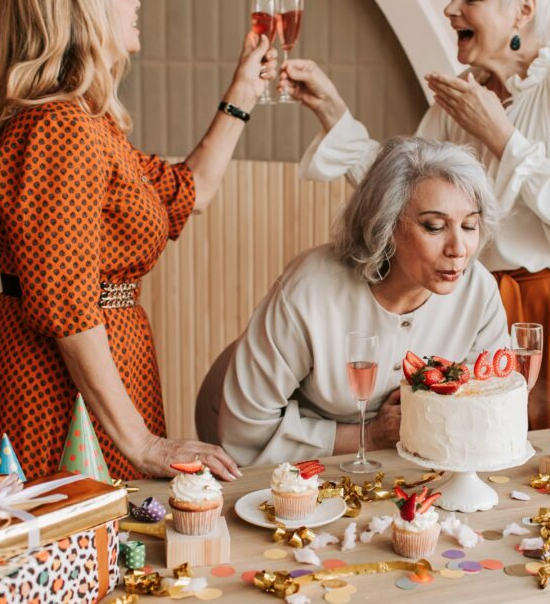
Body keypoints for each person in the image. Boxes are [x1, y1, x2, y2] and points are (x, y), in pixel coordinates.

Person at [280, 0, 550, 429]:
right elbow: (402, 186)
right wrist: (331, 111)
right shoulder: (463, 97)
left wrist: (498, 134)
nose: (450, 10)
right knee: (495, 464)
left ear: (523, 10)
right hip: (492, 308)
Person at [0, 0, 275, 481]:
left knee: (117, 548)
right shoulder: (59, 129)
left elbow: (186, 193)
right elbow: (70, 306)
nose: (136, 1)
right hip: (61, 386)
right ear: (81, 8)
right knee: (74, 545)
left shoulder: (89, 122)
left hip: (109, 366)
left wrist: (242, 94)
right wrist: (142, 442)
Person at [201, 137, 509, 466]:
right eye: (434, 226)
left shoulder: (478, 290)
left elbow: (488, 402)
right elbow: (245, 430)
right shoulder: (310, 291)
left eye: (469, 226)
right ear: (386, 224)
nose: (458, 248)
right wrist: (372, 436)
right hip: (252, 437)